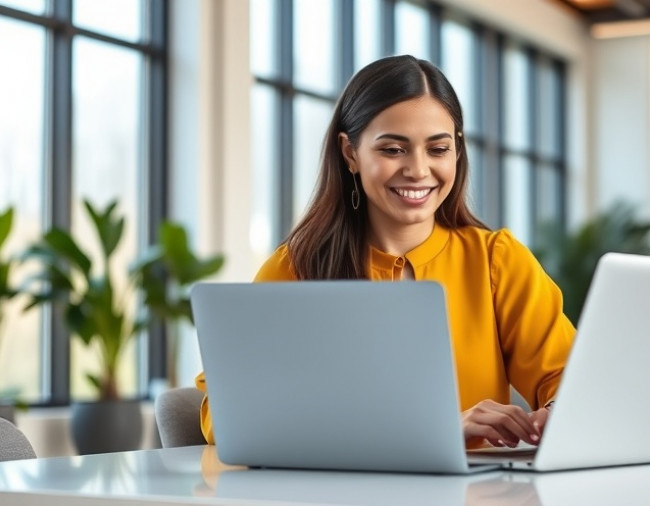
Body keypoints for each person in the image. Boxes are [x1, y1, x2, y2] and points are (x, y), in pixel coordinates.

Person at [195, 54, 575, 449]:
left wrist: (558, 408)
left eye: (438, 149)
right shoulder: (298, 268)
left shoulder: (497, 261)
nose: (418, 169)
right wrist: (432, 431)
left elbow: (569, 375)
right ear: (350, 154)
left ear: (457, 152)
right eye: (394, 149)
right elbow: (224, 414)